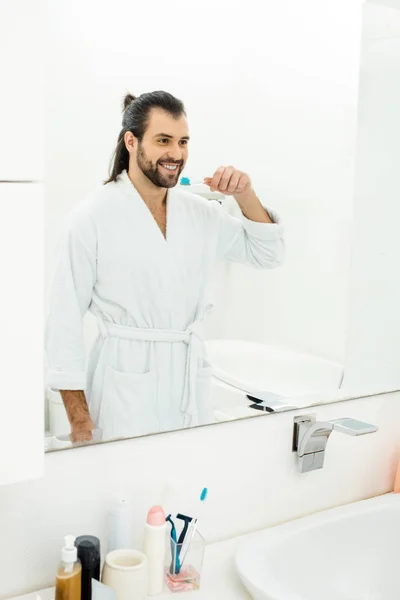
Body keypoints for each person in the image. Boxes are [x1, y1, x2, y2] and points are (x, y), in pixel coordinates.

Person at [45, 90, 285, 443]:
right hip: (123, 381)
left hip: (188, 377)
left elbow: (268, 255)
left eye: (183, 142)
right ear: (131, 141)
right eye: (163, 140)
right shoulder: (92, 217)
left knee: (187, 482)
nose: (176, 153)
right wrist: (80, 423)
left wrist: (245, 194)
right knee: (127, 489)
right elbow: (63, 323)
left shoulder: (200, 214)